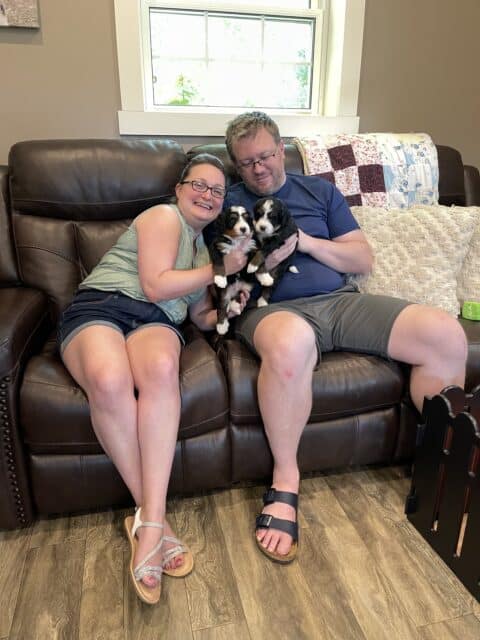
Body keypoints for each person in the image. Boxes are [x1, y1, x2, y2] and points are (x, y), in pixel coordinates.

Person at [223, 111, 468, 564]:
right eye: (245, 163)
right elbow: (216, 274)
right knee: (291, 347)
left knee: (446, 334)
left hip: (341, 300)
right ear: (235, 167)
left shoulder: (320, 191)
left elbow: (362, 260)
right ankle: (285, 481)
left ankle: (443, 461)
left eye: (264, 156)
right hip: (275, 311)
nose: (258, 169)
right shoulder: (227, 202)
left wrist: (305, 242)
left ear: (281, 150)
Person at [57, 154, 250, 604]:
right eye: (198, 185)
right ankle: (155, 526)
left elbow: (198, 314)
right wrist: (223, 270)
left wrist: (225, 309)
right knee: (107, 379)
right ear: (178, 190)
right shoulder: (162, 217)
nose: (207, 195)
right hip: (103, 306)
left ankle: (147, 521)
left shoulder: (203, 251)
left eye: (217, 191)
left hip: (156, 322)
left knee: (163, 370)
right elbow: (155, 285)